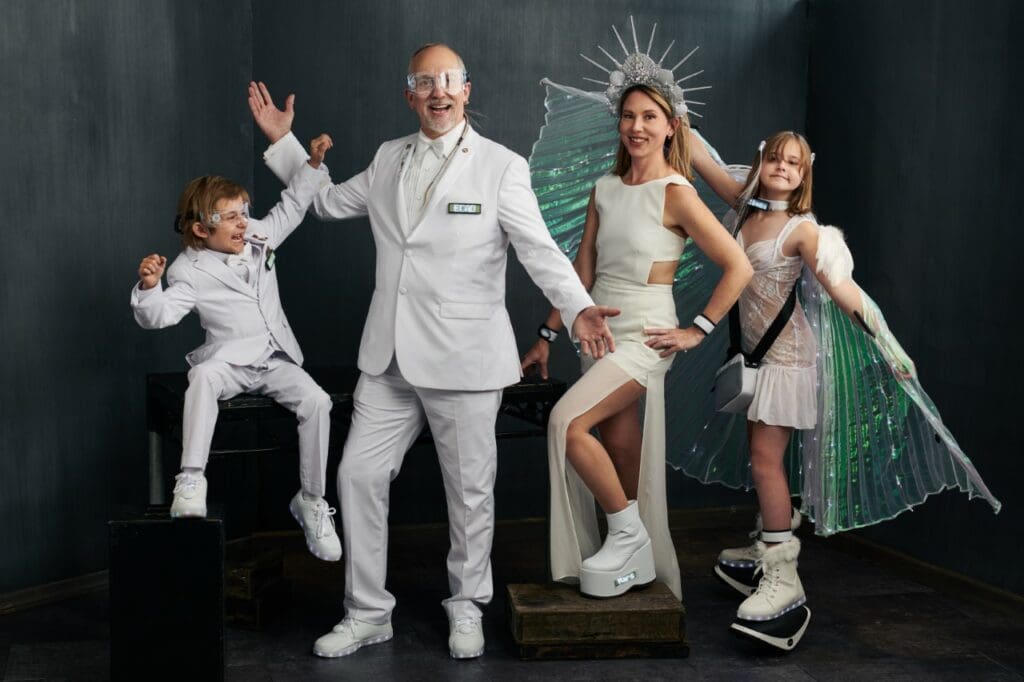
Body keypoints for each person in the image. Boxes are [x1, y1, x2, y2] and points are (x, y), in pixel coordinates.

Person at [247, 43, 617, 660]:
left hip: (466, 357)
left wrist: (577, 308)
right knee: (357, 475)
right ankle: (367, 612)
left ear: (467, 90)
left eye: (449, 81)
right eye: (425, 82)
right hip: (388, 357)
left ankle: (467, 605)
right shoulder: (389, 157)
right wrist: (286, 146)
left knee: (470, 491)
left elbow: (539, 249)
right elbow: (329, 201)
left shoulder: (501, 166)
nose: (438, 92)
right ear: (409, 94)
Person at [687, 130, 1000, 649]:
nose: (782, 168)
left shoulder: (803, 231)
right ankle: (769, 543)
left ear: (804, 175)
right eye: (774, 159)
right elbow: (704, 159)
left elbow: (843, 287)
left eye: (794, 163)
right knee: (760, 456)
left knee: (765, 461)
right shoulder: (743, 208)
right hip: (755, 356)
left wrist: (887, 341)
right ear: (761, 161)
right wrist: (667, 107)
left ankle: (784, 575)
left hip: (787, 358)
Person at [522, 74, 753, 600]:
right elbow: (581, 271)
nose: (637, 126)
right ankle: (636, 560)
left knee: (567, 424)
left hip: (646, 337)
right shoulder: (602, 189)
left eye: (650, 117)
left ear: (672, 127)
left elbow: (737, 265)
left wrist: (698, 330)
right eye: (628, 116)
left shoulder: (676, 192)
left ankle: (627, 535)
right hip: (598, 335)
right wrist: (546, 336)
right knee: (619, 450)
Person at [131, 134, 343, 562]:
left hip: (275, 356)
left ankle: (312, 500)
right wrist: (149, 288)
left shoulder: (257, 239)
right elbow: (161, 316)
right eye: (230, 218)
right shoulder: (188, 270)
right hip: (230, 359)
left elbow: (291, 208)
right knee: (203, 377)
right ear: (199, 228)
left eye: (243, 214)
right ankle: (191, 478)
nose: (243, 224)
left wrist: (313, 166)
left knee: (318, 403)